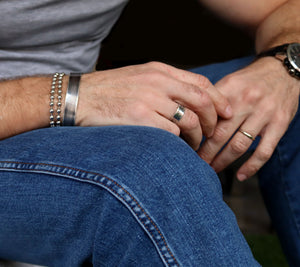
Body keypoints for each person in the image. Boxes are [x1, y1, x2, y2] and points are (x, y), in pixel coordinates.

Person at [0, 0, 299, 266]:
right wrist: (73, 95)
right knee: (149, 168)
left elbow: (280, 7)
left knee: (286, 94)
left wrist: (286, 63)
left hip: (74, 117)